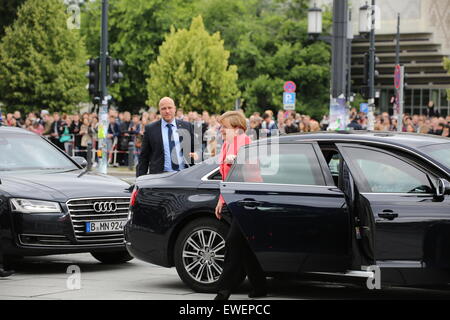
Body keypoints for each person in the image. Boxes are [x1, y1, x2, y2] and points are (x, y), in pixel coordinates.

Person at [213, 111, 267, 301]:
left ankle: (223, 291)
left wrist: (238, 161)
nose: (221, 131)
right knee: (244, 246)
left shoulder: (245, 142)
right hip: (235, 199)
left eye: (224, 127)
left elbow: (252, 172)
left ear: (237, 129)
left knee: (233, 242)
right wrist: (221, 199)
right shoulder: (227, 144)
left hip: (249, 199)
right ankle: (260, 285)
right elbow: (224, 175)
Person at [136, 97, 198, 177]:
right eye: (163, 108)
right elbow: (144, 157)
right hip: (159, 177)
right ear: (160, 110)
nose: (167, 111)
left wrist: (196, 154)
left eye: (170, 108)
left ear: (175, 109)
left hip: (184, 175)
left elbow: (196, 148)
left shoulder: (187, 126)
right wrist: (140, 179)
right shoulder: (150, 129)